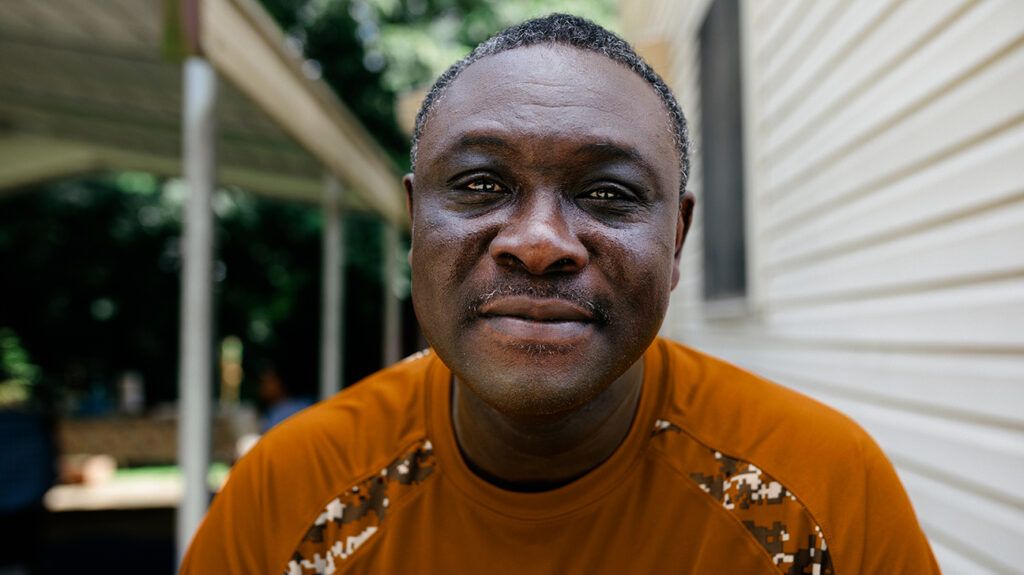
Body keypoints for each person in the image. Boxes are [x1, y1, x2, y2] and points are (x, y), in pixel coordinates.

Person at [181, 14, 938, 574]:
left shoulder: (822, 494)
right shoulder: (288, 497)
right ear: (414, 223)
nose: (539, 242)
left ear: (676, 238)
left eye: (607, 192)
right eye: (480, 184)